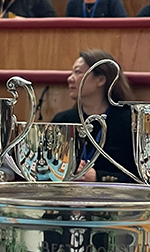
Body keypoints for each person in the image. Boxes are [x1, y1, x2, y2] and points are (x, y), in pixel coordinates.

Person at [52, 51, 138, 183]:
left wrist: (98, 177)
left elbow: (141, 178)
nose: (70, 78)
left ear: (101, 80)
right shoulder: (62, 120)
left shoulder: (130, 122)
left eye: (78, 72)